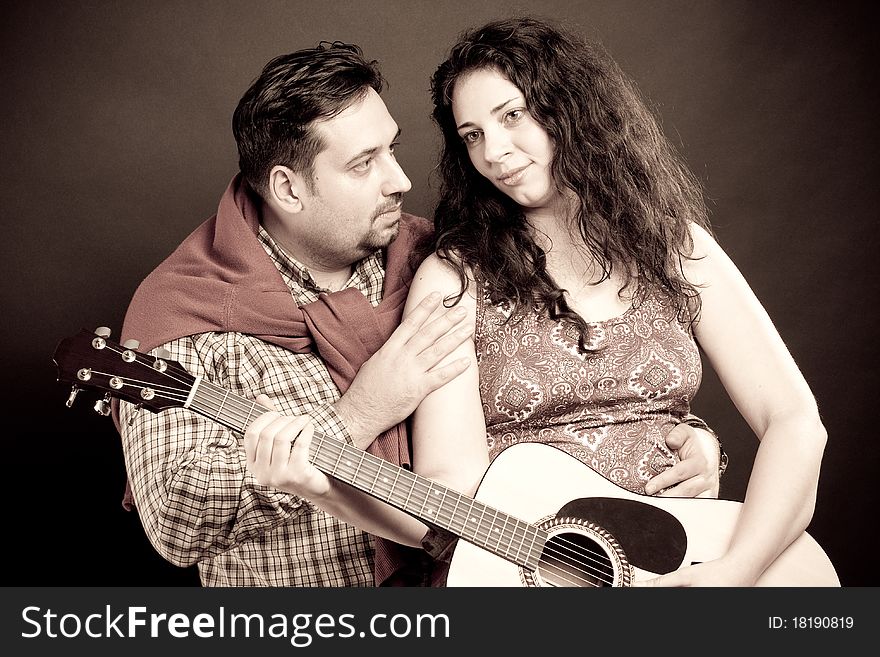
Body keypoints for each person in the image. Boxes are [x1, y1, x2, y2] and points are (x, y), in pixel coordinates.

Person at [119, 39, 721, 587]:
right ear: (288, 189)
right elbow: (175, 524)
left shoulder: (440, 260)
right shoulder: (186, 312)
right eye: (364, 163)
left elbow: (556, 403)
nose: (401, 180)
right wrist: (357, 414)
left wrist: (685, 442)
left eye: (392, 149)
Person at [405, 16, 826, 586]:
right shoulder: (454, 279)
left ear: (569, 109)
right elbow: (450, 486)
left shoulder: (674, 246)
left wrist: (734, 572)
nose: (495, 152)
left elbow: (795, 420)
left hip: (690, 561)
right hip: (538, 575)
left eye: (513, 116)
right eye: (472, 134)